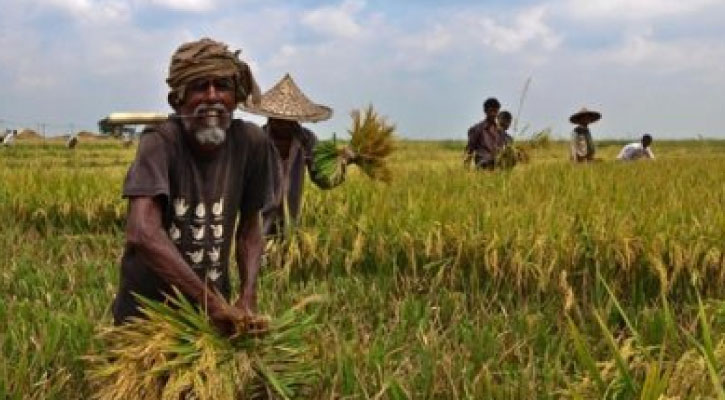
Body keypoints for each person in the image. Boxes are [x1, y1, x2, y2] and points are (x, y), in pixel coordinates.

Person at [111, 38, 275, 336]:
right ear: (178, 101)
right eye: (200, 87)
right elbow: (142, 232)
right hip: (150, 316)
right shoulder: (160, 142)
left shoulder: (252, 143)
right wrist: (213, 306)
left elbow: (251, 227)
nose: (212, 97)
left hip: (212, 316)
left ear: (236, 98)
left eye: (222, 86)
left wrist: (247, 295)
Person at [241, 73, 349, 236]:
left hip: (290, 225)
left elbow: (323, 180)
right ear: (269, 116)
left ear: (296, 120)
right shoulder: (258, 140)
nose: (281, 124)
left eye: (287, 120)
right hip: (257, 224)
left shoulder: (306, 141)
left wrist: (343, 162)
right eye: (276, 118)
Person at [465, 97, 504, 169]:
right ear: (485, 111)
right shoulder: (476, 129)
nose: (493, 114)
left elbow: (501, 150)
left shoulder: (500, 131)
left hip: (497, 168)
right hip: (482, 167)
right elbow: (469, 151)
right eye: (491, 111)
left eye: (495, 111)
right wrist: (466, 170)